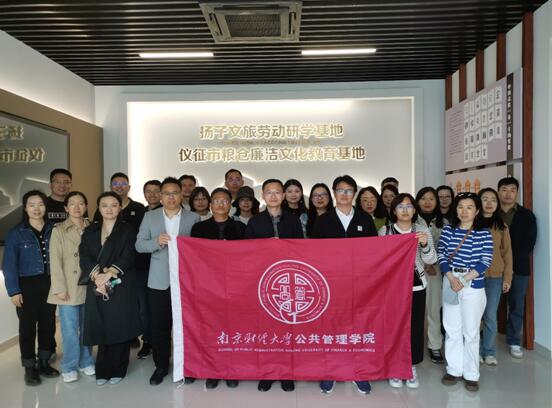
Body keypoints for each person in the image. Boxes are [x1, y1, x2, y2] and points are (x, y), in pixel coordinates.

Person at [311, 175, 376, 395]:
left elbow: (375, 252)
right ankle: (329, 371)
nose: (345, 194)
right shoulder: (323, 220)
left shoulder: (365, 219)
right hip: (331, 284)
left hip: (360, 284)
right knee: (331, 327)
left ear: (354, 193)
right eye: (340, 190)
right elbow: (314, 253)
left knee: (359, 326)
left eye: (349, 190)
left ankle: (358, 371)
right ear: (334, 193)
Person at [136, 177, 200, 386]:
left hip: (187, 282)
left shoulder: (193, 218)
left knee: (188, 325)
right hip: (159, 281)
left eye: (175, 193)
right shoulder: (150, 217)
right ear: (161, 196)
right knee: (160, 326)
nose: (171, 197)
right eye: (166, 193)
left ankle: (188, 366)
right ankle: (161, 366)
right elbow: (139, 245)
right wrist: (156, 242)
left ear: (182, 195)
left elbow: (200, 250)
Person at [244, 179, 303, 392]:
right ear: (263, 196)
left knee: (288, 328)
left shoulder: (293, 221)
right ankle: (267, 372)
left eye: (277, 192)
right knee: (266, 329)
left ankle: (287, 373)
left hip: (287, 280)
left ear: (283, 196)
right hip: (263, 281)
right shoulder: (255, 221)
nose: (273, 196)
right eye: (269, 192)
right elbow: (246, 252)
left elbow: (301, 249)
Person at [79, 192, 141, 386]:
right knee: (101, 323)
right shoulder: (90, 230)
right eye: (104, 205)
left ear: (120, 208)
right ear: (98, 208)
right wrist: (97, 276)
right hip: (97, 283)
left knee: (120, 324)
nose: (109, 209)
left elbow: (129, 254)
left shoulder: (128, 230)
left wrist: (110, 273)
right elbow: (84, 255)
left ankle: (119, 368)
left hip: (121, 282)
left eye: (114, 205)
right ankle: (103, 369)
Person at [380, 193, 437, 389]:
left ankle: (411, 367)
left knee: (414, 327)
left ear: (414, 210)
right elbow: (379, 260)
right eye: (400, 207)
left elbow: (431, 260)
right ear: (394, 211)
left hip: (416, 286)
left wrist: (425, 244)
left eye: (409, 206)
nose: (405, 210)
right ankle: (395, 368)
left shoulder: (422, 230)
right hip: (392, 288)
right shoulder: (385, 231)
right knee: (394, 327)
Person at [3, 190, 59, 386]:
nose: (37, 208)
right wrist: (14, 291)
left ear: (46, 207)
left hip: (50, 283)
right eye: (32, 205)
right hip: (26, 285)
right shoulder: (16, 233)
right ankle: (29, 367)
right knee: (27, 328)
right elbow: (9, 265)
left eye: (40, 204)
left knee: (48, 324)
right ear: (25, 208)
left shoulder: (54, 229)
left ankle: (44, 361)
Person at [191, 188, 245, 390]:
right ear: (210, 204)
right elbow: (194, 257)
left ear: (231, 204)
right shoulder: (199, 228)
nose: (220, 204)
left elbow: (249, 256)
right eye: (216, 200)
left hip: (236, 286)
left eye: (225, 201)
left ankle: (231, 369)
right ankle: (213, 371)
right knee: (211, 329)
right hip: (209, 287)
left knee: (233, 328)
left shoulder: (240, 227)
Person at [438, 192, 493, 392]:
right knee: (452, 328)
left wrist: (463, 280)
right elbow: (442, 255)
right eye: (460, 206)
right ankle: (454, 370)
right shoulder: (448, 230)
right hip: (450, 282)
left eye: (469, 207)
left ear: (477, 211)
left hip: (473, 285)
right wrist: (451, 278)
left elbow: (485, 261)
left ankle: (471, 374)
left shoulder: (484, 233)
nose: (464, 211)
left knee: (471, 331)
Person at [47, 191, 95, 383]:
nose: (77, 207)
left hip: (90, 285)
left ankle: (86, 361)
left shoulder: (93, 227)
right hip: (68, 286)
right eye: (72, 204)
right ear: (66, 208)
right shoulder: (59, 230)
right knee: (69, 330)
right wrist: (59, 288)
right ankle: (69, 365)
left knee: (87, 327)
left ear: (86, 206)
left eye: (81, 203)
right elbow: (55, 261)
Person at [497, 177, 537, 359]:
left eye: (512, 190)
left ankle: (513, 340)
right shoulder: (492, 213)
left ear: (517, 193)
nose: (508, 193)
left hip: (519, 268)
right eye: (504, 189)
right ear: (499, 191)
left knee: (516, 305)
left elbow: (530, 243)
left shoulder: (527, 215)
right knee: (488, 304)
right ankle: (483, 339)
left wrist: (511, 264)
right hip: (493, 267)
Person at [478, 187, 513, 366]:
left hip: (495, 277)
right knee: (474, 317)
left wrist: (507, 278)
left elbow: (507, 254)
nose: (489, 203)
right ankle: (475, 351)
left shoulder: (501, 226)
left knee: (490, 316)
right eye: (485, 199)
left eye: (493, 199)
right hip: (473, 277)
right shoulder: (471, 223)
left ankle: (489, 352)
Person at [415, 187, 446, 364]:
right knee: (415, 311)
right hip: (415, 271)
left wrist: (433, 264)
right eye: (423, 198)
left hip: (436, 272)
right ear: (417, 201)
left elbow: (446, 248)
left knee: (434, 310)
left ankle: (434, 345)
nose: (427, 202)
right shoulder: (411, 220)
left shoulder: (445, 222)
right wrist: (425, 264)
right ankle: (413, 344)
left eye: (431, 199)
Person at [136, 179, 162, 359]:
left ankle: (161, 341)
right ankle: (147, 341)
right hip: (141, 267)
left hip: (161, 267)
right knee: (144, 309)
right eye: (148, 191)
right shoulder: (139, 212)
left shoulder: (167, 213)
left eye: (156, 191)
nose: (152, 194)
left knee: (160, 309)